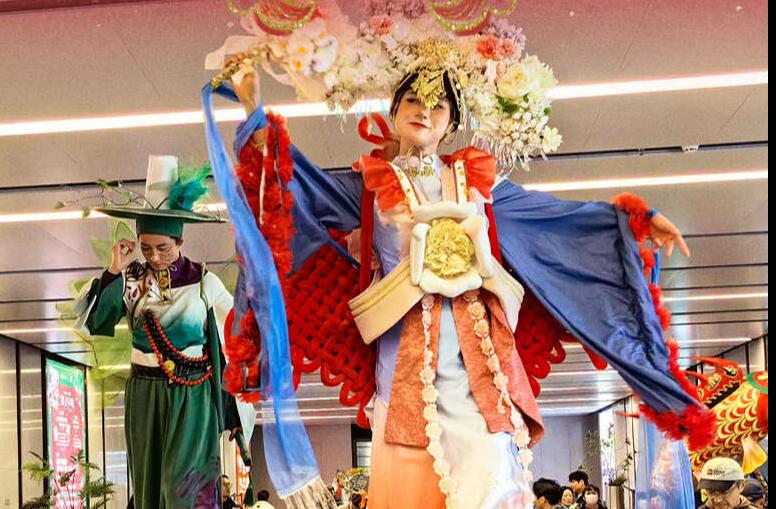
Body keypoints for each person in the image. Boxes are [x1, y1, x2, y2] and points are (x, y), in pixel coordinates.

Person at [203, 7, 709, 508]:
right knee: (408, 482)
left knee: (489, 480)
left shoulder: (479, 184)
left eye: (439, 104)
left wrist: (631, 222)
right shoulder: (368, 186)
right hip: (401, 363)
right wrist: (252, 110)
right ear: (395, 109)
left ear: (452, 123)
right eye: (413, 99)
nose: (424, 110)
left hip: (476, 366)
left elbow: (554, 218)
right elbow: (293, 187)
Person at [75, 156, 253, 509]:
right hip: (144, 394)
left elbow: (233, 342)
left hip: (192, 397)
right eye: (146, 248)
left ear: (180, 241)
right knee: (149, 484)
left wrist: (232, 408)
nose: (155, 257)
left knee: (184, 486)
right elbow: (96, 321)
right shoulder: (131, 281)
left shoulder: (204, 283)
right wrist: (115, 269)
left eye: (163, 248)